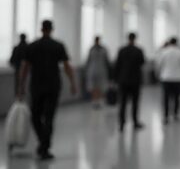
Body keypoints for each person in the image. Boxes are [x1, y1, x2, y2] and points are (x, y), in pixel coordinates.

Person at [17, 20, 78, 161]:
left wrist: (21, 85)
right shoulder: (58, 46)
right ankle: (45, 146)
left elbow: (24, 67)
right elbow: (67, 66)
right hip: (53, 85)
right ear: (51, 29)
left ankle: (43, 144)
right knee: (49, 117)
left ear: (41, 29)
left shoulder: (32, 46)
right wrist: (73, 83)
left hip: (36, 86)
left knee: (35, 116)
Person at [114, 32, 146, 132]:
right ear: (135, 39)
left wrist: (116, 79)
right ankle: (135, 122)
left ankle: (122, 124)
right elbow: (142, 62)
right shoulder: (138, 50)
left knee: (122, 103)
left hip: (123, 80)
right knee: (135, 102)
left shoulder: (122, 50)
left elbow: (117, 65)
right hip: (135, 80)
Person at [155, 37, 180, 124]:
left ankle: (166, 116)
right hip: (177, 78)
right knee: (177, 97)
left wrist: (157, 74)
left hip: (166, 78)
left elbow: (159, 64)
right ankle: (175, 114)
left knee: (166, 98)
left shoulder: (164, 52)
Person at [84, 36, 110, 109]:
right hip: (92, 70)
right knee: (93, 86)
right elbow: (88, 60)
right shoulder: (91, 49)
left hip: (102, 70)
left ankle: (100, 101)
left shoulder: (103, 49)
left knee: (101, 86)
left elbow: (106, 60)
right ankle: (95, 101)